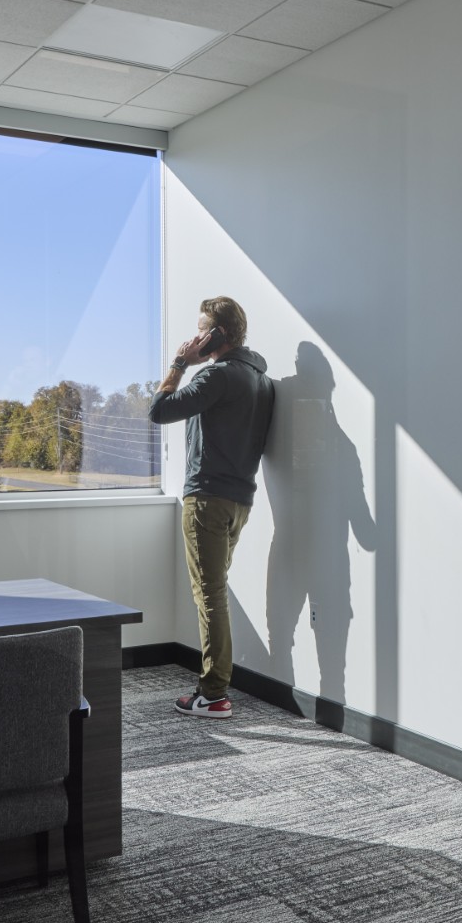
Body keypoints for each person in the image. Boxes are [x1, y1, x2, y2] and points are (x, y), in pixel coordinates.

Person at [149, 296, 274, 718]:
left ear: (218, 334)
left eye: (202, 330)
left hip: (207, 499)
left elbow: (159, 410)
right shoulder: (260, 379)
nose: (196, 337)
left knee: (209, 595)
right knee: (215, 591)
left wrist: (180, 363)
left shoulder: (218, 376)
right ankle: (215, 687)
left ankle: (214, 693)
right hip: (240, 501)